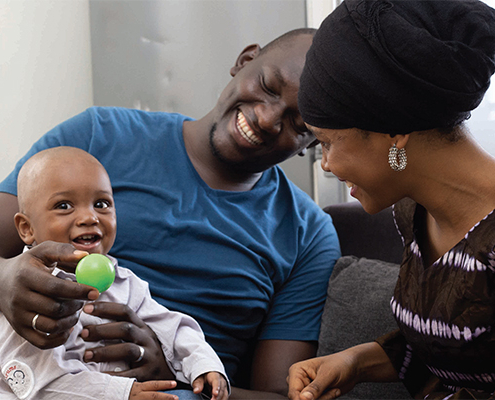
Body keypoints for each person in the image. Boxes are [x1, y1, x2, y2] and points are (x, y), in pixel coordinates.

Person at [0, 28, 341, 399]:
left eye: (299, 124)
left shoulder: (309, 234)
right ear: (244, 61)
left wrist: (176, 370)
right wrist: (3, 279)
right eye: (268, 86)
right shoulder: (94, 140)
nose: (266, 117)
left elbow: (281, 395)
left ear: (314, 142)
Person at [286, 1, 495, 399]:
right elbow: (463, 351)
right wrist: (356, 362)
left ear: (393, 130)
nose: (326, 164)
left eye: (328, 143)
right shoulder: (412, 211)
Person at [0, 146, 229, 400]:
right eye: (64, 205)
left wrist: (204, 364)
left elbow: (172, 328)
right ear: (26, 228)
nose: (89, 217)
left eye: (101, 204)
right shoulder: (23, 292)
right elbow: (35, 384)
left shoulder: (126, 283)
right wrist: (122, 393)